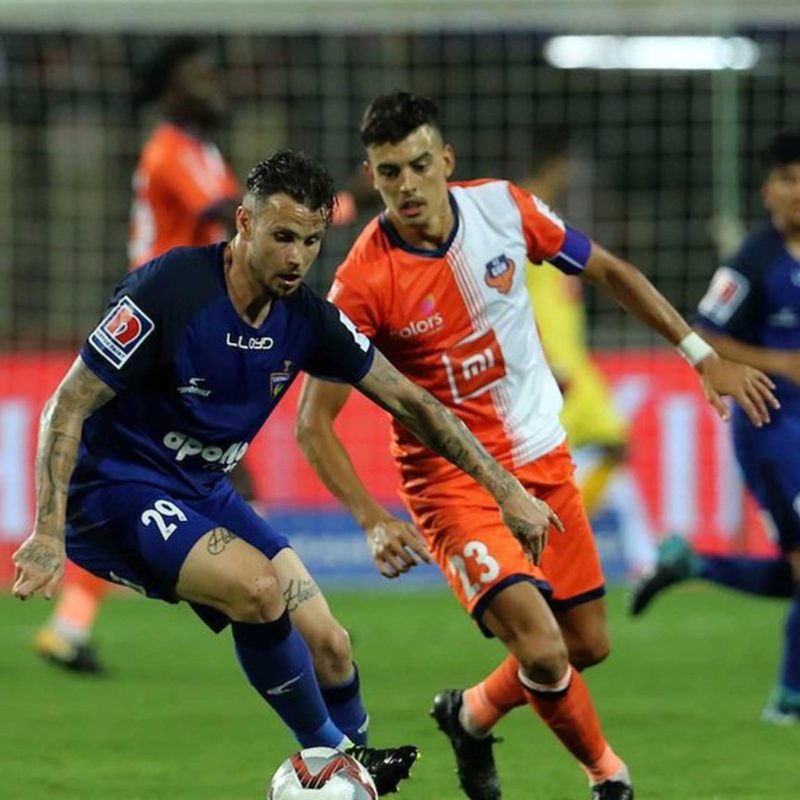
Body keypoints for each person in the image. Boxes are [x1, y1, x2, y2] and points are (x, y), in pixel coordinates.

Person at [10, 149, 580, 794]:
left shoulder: (306, 319)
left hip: (201, 490)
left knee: (330, 645)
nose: (297, 257)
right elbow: (68, 402)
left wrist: (505, 489)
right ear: (244, 223)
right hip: (114, 488)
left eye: (311, 242)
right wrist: (47, 531)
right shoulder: (170, 289)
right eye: (283, 236)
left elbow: (413, 402)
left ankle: (350, 778)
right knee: (258, 591)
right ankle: (342, 759)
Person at [294, 92, 778, 800]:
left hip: (543, 457)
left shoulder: (503, 208)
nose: (407, 185)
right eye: (390, 172)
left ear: (446, 160)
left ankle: (470, 714)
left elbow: (609, 270)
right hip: (453, 486)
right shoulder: (364, 281)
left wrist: (700, 354)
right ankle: (608, 776)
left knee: (587, 645)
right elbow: (312, 421)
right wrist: (371, 519)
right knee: (545, 652)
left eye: (420, 165)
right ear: (373, 177)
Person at [34, 37, 247, 674]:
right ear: (171, 89)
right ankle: (271, 600)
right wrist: (327, 204)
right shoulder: (169, 151)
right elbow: (231, 216)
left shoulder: (203, 151)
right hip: (157, 333)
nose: (215, 85)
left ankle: (69, 627)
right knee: (207, 472)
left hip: (185, 333)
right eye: (200, 76)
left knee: (190, 473)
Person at [630, 129, 800, 725]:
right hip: (772, 431)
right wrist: (781, 364)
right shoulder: (753, 261)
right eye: (787, 180)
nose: (798, 191)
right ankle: (789, 696)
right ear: (767, 191)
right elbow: (705, 333)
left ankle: (695, 566)